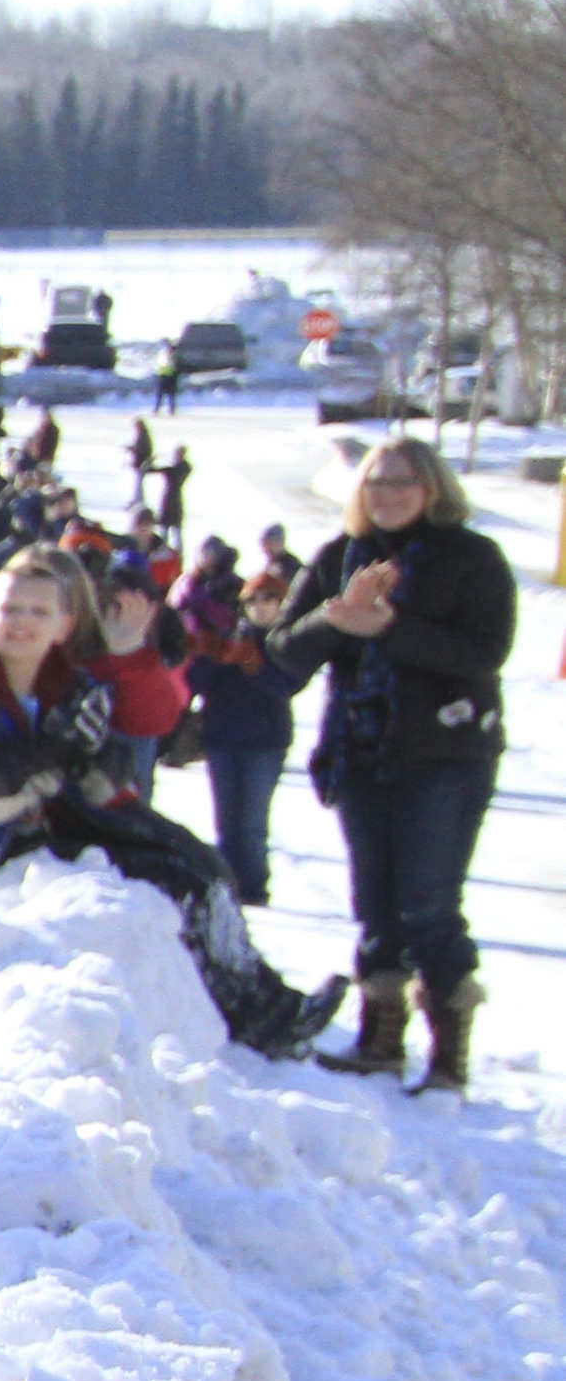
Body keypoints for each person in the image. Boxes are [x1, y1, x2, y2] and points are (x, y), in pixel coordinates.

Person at [0, 548, 342, 1054]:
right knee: (165, 878)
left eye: (39, 612)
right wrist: (57, 751)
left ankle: (260, 1006)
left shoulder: (66, 681)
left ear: (66, 623)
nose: (23, 623)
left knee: (199, 866)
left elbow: (114, 762)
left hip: (48, 821)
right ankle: (249, 1010)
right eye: (11, 610)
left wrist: (98, 751)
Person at [266, 438, 516, 1092]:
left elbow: (483, 655)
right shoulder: (335, 557)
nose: (387, 493)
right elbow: (285, 654)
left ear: (431, 489)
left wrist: (388, 629)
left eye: (403, 481)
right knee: (375, 905)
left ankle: (448, 1055)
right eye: (375, 482)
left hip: (446, 755)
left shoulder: (474, 559)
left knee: (428, 903)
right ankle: (379, 1040)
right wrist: (336, 618)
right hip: (360, 753)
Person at [175, 538, 310, 910]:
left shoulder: (288, 642)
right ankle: (227, 882)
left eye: (269, 599)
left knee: (251, 821)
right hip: (221, 736)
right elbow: (197, 683)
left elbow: (289, 686)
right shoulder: (228, 637)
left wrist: (254, 665)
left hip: (266, 741)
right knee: (225, 818)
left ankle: (253, 887)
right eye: (253, 601)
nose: (261, 607)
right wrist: (215, 657)